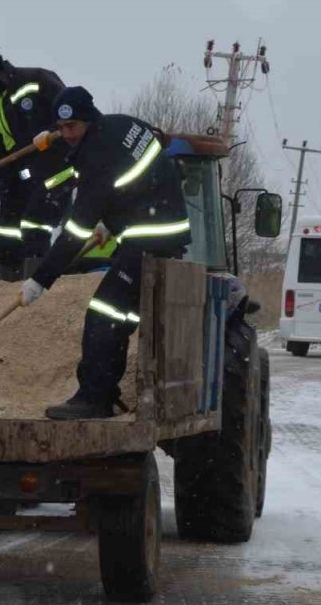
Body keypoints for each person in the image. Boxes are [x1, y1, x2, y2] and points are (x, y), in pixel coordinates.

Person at [20, 86, 192, 420]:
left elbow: (76, 231)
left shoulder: (96, 157)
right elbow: (137, 174)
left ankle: (94, 399)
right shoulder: (123, 124)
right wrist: (113, 222)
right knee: (120, 316)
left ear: (88, 119)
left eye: (72, 127)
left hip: (149, 238)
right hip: (162, 231)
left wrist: (40, 280)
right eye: (61, 128)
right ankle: (106, 393)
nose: (67, 134)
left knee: (102, 314)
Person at [0, 46, 71, 281]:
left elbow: (71, 113)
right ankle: (10, 283)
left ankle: (37, 282)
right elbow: (1, 158)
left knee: (34, 227)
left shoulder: (36, 81)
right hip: (17, 176)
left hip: (52, 170)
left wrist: (51, 133)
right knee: (8, 234)